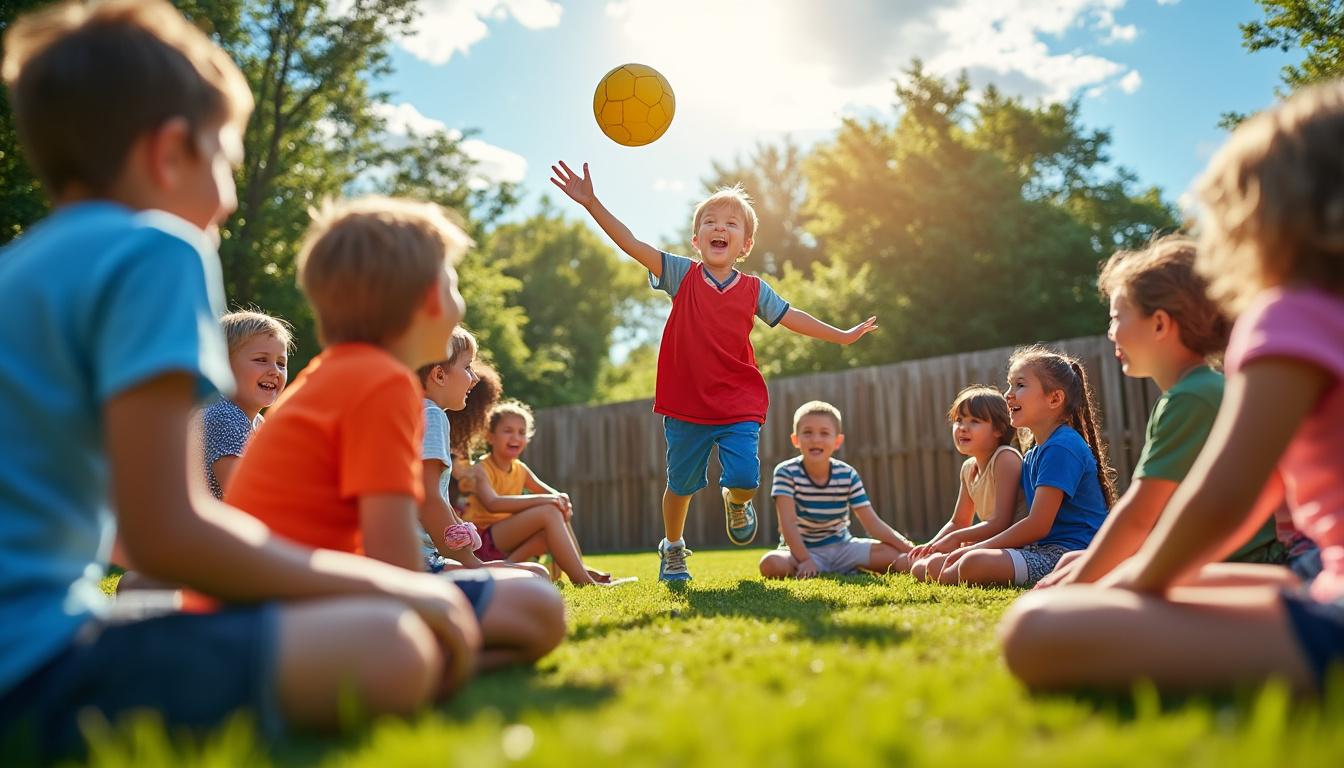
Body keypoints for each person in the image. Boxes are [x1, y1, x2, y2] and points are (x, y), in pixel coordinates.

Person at [0, 2, 478, 757]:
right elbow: (168, 534)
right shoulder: (156, 251)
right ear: (170, 153)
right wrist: (394, 585)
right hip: (30, 672)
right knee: (391, 642)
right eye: (225, 158)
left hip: (41, 633)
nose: (225, 198)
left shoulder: (21, 269)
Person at [1001, 81, 1344, 694]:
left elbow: (1227, 496)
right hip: (1321, 574)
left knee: (1037, 629)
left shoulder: (1290, 317)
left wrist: (1132, 585)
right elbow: (1255, 498)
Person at [225, 197, 566, 669]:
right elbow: (393, 555)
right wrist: (438, 611)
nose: (459, 301)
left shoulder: (338, 374)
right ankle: (419, 665)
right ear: (427, 299)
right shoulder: (383, 385)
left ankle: (425, 661)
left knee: (527, 585)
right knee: (538, 605)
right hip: (298, 613)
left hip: (291, 601)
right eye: (454, 284)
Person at [551, 161, 878, 581]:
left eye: (730, 223)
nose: (719, 227)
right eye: (709, 221)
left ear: (744, 244)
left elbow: (793, 316)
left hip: (737, 400)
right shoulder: (681, 274)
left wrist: (844, 335)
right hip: (685, 404)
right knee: (681, 485)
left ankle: (736, 501)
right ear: (697, 238)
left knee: (744, 476)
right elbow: (631, 243)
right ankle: (672, 547)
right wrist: (592, 203)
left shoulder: (754, 289)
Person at [1033, 237, 1311, 590]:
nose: (1111, 332)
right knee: (1075, 558)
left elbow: (1138, 517)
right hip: (1230, 556)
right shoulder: (1199, 390)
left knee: (1052, 607)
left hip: (1245, 561)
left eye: (1117, 317)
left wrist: (1075, 591)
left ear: (1160, 323)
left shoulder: (1190, 399)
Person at [938, 347, 1116, 587]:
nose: (1008, 395)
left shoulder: (1062, 447)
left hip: (1067, 554)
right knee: (939, 567)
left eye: (1020, 385)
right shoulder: (1034, 453)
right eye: (1010, 385)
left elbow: (1038, 525)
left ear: (1054, 398)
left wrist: (976, 548)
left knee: (971, 563)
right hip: (1041, 550)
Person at [417, 329, 548, 579]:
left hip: (417, 559)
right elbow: (429, 499)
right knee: (535, 576)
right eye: (467, 367)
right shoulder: (432, 416)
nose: (475, 378)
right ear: (439, 374)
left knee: (536, 572)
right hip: (419, 564)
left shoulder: (413, 412)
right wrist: (472, 564)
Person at [462, 401, 619, 586]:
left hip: (507, 542)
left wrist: (562, 500)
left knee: (555, 513)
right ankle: (584, 580)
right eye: (508, 431)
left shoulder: (521, 469)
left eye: (521, 432)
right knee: (549, 510)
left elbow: (552, 494)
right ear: (490, 436)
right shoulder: (480, 468)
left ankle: (579, 569)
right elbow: (493, 503)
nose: (515, 437)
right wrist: (551, 500)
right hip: (483, 541)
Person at [758, 401, 914, 579]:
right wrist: (805, 559)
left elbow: (872, 523)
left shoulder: (847, 474)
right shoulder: (786, 472)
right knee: (770, 563)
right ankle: (815, 567)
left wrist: (908, 547)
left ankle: (847, 566)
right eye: (807, 432)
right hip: (800, 550)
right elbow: (787, 525)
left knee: (898, 557)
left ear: (837, 441)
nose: (816, 439)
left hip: (843, 548)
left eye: (824, 433)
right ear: (795, 439)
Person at [908, 387, 1024, 582]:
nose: (962, 427)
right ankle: (946, 569)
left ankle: (950, 570)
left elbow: (1001, 522)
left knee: (939, 566)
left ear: (999, 429)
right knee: (921, 566)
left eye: (975, 421)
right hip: (989, 544)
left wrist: (958, 538)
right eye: (959, 421)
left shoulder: (1005, 458)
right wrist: (931, 545)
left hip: (1016, 546)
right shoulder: (968, 468)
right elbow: (958, 522)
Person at [202, 310, 292, 499]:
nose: (274, 371)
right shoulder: (224, 415)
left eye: (281, 363)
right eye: (261, 360)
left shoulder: (256, 421)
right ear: (223, 365)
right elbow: (243, 490)